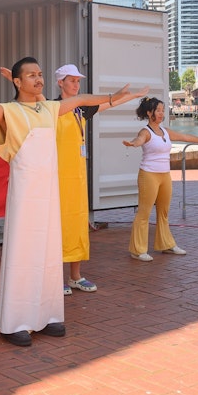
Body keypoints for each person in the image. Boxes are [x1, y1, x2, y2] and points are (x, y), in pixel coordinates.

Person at [0, 56, 137, 347]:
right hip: (25, 194)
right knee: (23, 255)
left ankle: (47, 316)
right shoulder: (10, 111)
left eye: (40, 74)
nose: (38, 78)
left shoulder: (50, 108)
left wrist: (113, 97)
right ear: (17, 82)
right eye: (31, 75)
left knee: (48, 254)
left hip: (49, 192)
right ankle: (14, 322)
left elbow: (82, 98)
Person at [49, 64, 147, 295]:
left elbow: (105, 104)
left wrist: (130, 96)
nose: (76, 84)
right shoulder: (52, 108)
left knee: (77, 224)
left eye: (78, 81)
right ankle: (53, 278)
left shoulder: (81, 109)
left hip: (77, 177)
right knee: (56, 226)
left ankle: (75, 276)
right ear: (60, 82)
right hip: (57, 176)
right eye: (71, 80)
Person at [123, 96, 198, 261]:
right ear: (149, 113)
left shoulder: (165, 131)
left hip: (165, 175)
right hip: (148, 175)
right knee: (144, 212)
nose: (162, 113)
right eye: (158, 110)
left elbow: (185, 137)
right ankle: (138, 250)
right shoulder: (145, 131)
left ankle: (166, 244)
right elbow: (139, 140)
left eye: (163, 110)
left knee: (164, 212)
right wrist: (133, 143)